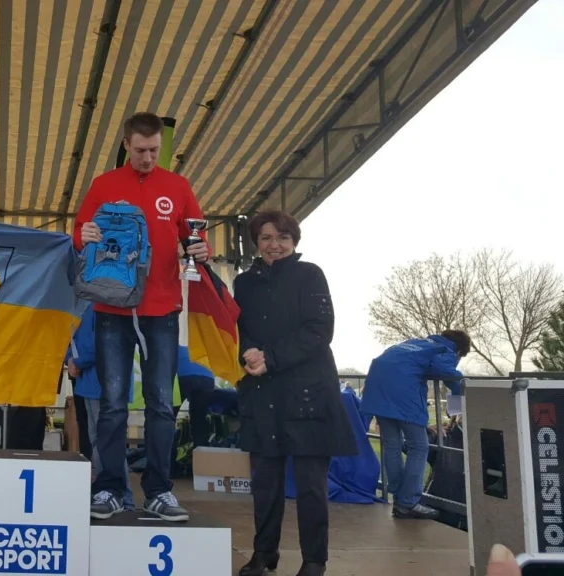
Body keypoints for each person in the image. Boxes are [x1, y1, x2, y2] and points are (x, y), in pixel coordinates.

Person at [74, 112, 208, 522]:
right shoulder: (103, 184)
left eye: (153, 150)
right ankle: (111, 489)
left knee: (161, 406)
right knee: (112, 404)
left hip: (163, 309)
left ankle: (159, 491)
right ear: (126, 143)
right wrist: (86, 235)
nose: (147, 157)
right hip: (112, 308)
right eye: (139, 150)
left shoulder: (178, 186)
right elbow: (80, 230)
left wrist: (199, 250)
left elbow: (195, 236)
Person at [233, 209, 357, 576]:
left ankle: (314, 559)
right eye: (267, 238)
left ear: (294, 242)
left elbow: (320, 330)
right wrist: (249, 353)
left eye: (283, 238)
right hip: (263, 394)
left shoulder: (310, 275)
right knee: (265, 485)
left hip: (309, 395)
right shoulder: (244, 283)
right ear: (256, 242)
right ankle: (264, 553)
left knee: (311, 487)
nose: (275, 245)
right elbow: (238, 327)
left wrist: (270, 357)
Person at [360, 330, 470, 520]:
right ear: (459, 350)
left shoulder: (415, 343)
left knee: (392, 444)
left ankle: (399, 496)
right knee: (419, 446)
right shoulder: (445, 349)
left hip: (377, 391)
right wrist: (461, 398)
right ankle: (408, 501)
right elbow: (450, 375)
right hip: (403, 394)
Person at [66, 305, 136, 510]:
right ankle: (116, 495)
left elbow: (95, 344)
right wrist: (71, 359)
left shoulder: (99, 306)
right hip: (92, 383)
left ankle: (121, 497)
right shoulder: (88, 308)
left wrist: (75, 360)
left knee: (107, 441)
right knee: (103, 440)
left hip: (102, 384)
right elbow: (76, 341)